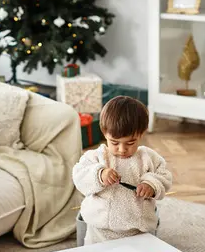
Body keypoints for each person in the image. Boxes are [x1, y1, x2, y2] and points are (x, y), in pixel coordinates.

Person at [72, 96, 172, 244]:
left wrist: (151, 184)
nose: (122, 149)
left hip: (138, 230)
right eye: (114, 142)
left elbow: (164, 176)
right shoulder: (97, 156)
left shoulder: (148, 157)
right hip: (99, 231)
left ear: (141, 133)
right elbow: (79, 175)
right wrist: (99, 174)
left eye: (130, 143)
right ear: (104, 133)